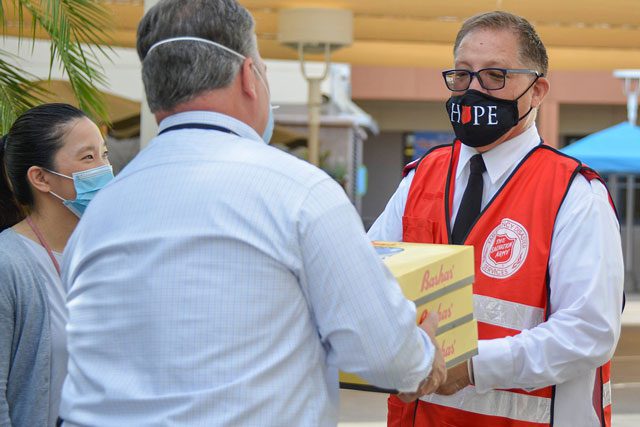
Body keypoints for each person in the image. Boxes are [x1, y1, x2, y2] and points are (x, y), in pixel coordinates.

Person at [57, 1, 446, 426]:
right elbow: (386, 353)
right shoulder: (300, 192)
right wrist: (422, 356)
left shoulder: (102, 211)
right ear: (249, 76)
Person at [369, 11, 624, 427]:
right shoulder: (419, 179)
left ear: (538, 91)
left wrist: (472, 367)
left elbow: (589, 332)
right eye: (463, 74)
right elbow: (369, 281)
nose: (473, 90)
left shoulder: (575, 195)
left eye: (494, 76)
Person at [0, 103, 112, 427]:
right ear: (40, 178)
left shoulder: (106, 256)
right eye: (88, 158)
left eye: (104, 154)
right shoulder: (9, 265)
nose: (104, 169)